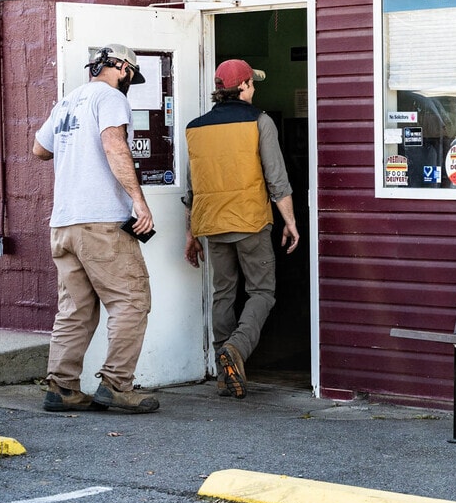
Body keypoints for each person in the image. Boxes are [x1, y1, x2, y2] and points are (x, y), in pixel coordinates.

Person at [31, 44, 160, 413]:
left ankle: (62, 388)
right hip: (100, 222)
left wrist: (74, 149)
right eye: (131, 74)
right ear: (121, 67)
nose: (131, 81)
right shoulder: (110, 97)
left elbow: (39, 150)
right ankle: (117, 385)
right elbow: (114, 144)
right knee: (132, 301)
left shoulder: (68, 101)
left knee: (75, 310)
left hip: (64, 225)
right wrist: (138, 200)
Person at [181, 58, 298, 399]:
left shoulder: (195, 128)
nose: (255, 88)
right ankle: (236, 349)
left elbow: (193, 186)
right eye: (252, 83)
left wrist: (191, 233)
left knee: (223, 295)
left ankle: (223, 374)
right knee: (262, 292)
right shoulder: (260, 122)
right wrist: (290, 221)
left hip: (212, 224)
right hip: (250, 222)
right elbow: (277, 179)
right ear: (243, 86)